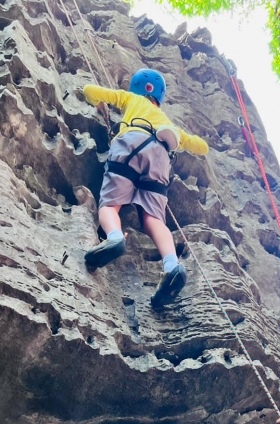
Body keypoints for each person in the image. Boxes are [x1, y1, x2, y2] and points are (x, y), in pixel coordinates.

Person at [83, 69, 209, 308]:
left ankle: (115, 237)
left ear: (136, 89)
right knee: (153, 219)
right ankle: (171, 265)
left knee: (110, 204)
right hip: (161, 156)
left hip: (131, 144)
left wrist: (99, 103)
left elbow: (89, 90)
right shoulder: (167, 122)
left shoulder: (131, 99)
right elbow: (202, 147)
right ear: (159, 98)